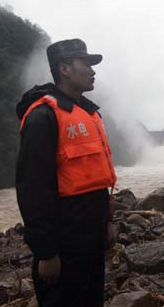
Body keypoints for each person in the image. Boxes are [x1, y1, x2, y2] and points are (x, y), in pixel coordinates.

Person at [15, 38, 117, 307]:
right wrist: (46, 252)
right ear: (65, 69)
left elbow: (95, 179)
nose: (93, 71)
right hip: (65, 241)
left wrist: (107, 222)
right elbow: (32, 188)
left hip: (92, 237)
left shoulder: (89, 113)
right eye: (86, 64)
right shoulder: (43, 117)